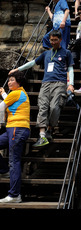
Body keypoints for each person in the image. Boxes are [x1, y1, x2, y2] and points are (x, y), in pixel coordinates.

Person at [9, 30, 74, 148]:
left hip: (60, 83)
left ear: (60, 40)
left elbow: (70, 69)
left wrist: (71, 84)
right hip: (46, 83)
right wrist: (18, 69)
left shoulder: (66, 53)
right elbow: (32, 63)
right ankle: (42, 135)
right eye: (51, 40)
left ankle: (50, 128)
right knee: (43, 106)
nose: (53, 42)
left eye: (55, 40)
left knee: (54, 107)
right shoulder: (46, 54)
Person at [0, 72, 30, 203]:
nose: (9, 83)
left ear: (19, 82)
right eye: (8, 80)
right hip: (14, 129)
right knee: (13, 162)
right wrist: (3, 94)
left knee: (14, 161)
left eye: (12, 80)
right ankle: (4, 170)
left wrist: (0, 123)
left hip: (16, 129)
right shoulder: (18, 93)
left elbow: (1, 107)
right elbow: (10, 103)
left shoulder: (16, 93)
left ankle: (14, 195)